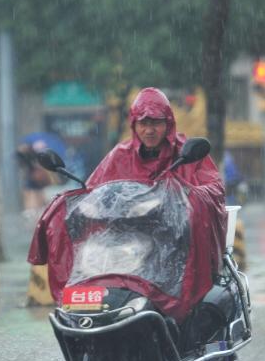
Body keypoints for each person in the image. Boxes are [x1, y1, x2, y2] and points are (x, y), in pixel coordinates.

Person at [29, 87, 227, 321]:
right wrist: (76, 206)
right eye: (143, 123)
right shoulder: (120, 155)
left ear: (168, 124)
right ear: (134, 124)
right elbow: (93, 191)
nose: (149, 130)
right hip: (123, 243)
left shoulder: (186, 154)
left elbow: (214, 190)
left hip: (173, 242)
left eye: (156, 123)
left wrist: (185, 196)